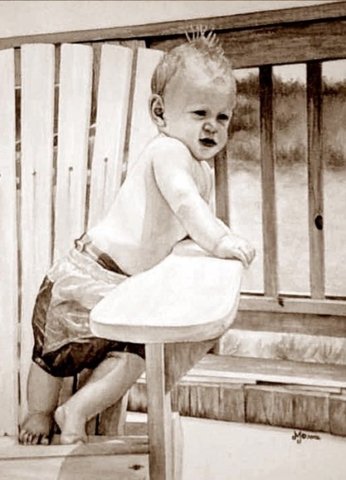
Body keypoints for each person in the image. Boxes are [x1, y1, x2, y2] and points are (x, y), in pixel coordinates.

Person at [19, 29, 255, 446]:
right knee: (53, 356)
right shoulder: (167, 153)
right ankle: (38, 412)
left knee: (133, 359)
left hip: (127, 289)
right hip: (88, 275)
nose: (212, 126)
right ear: (160, 113)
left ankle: (74, 409)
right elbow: (186, 206)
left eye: (223, 116)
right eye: (199, 112)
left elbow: (184, 229)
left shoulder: (198, 166)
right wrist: (219, 241)